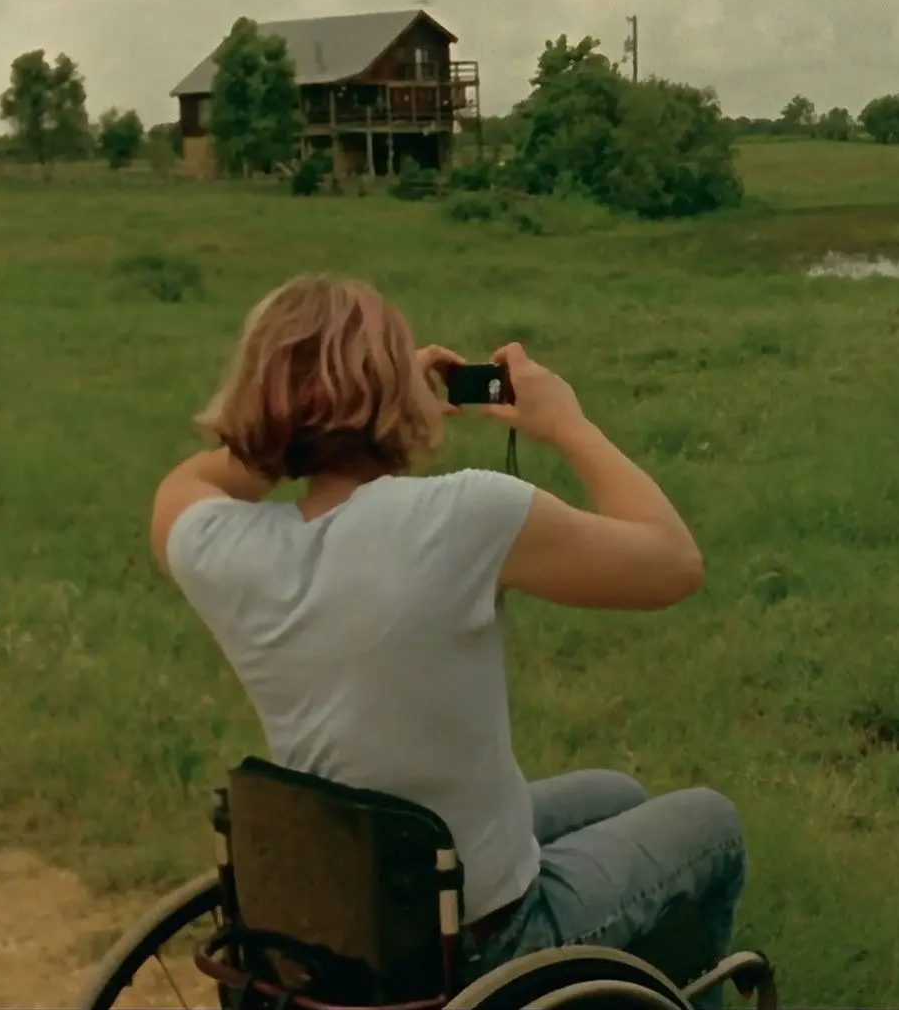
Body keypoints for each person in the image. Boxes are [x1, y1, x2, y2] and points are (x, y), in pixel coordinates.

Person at [148, 273, 745, 1002]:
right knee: (712, 827)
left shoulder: (220, 547)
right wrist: (564, 423)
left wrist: (295, 415)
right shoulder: (462, 517)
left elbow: (185, 483)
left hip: (337, 919)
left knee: (615, 793)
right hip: (477, 941)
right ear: (397, 391)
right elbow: (674, 564)